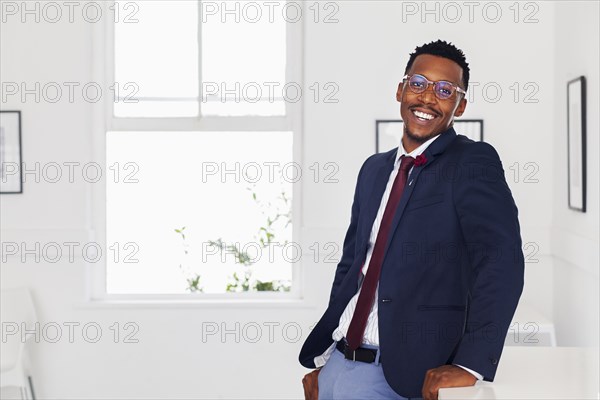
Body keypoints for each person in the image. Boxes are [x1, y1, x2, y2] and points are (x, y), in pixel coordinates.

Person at [299, 40, 525, 400]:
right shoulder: (373, 169)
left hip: (402, 377)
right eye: (418, 83)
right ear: (401, 90)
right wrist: (328, 358)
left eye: (445, 90)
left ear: (460, 105)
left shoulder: (472, 163)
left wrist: (470, 365)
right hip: (338, 366)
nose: (428, 97)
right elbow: (353, 265)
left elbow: (501, 262)